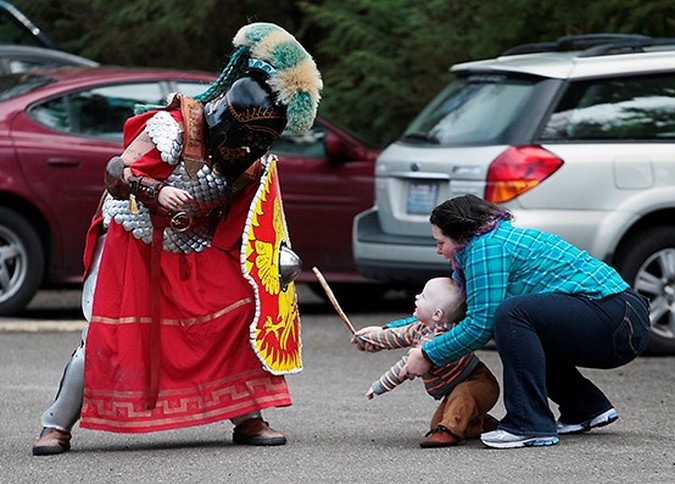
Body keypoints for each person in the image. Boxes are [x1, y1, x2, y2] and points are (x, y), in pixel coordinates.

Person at [32, 22, 322, 455]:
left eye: (255, 145)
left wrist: (274, 258)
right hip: (134, 236)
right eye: (243, 141)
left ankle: (248, 416)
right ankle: (56, 425)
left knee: (238, 313)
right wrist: (155, 189)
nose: (245, 151)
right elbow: (116, 172)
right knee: (106, 335)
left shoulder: (249, 162)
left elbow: (249, 218)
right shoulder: (174, 127)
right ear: (227, 120)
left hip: (193, 243)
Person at [397, 194, 651, 449]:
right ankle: (584, 408)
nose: (438, 250)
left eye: (440, 242)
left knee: (511, 315)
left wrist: (428, 355)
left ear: (460, 236)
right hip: (622, 319)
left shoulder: (485, 249)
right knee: (523, 325)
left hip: (617, 318)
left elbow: (479, 325)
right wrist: (383, 332)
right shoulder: (486, 244)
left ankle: (528, 424)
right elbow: (445, 312)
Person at [352, 277, 499, 448]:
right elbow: (395, 335)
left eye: (423, 296)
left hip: (478, 383)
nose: (416, 297)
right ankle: (483, 424)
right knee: (437, 424)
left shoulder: (438, 338)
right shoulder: (419, 327)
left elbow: (404, 367)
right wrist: (369, 337)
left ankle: (450, 433)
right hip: (456, 389)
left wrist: (379, 386)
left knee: (458, 404)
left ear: (437, 314)